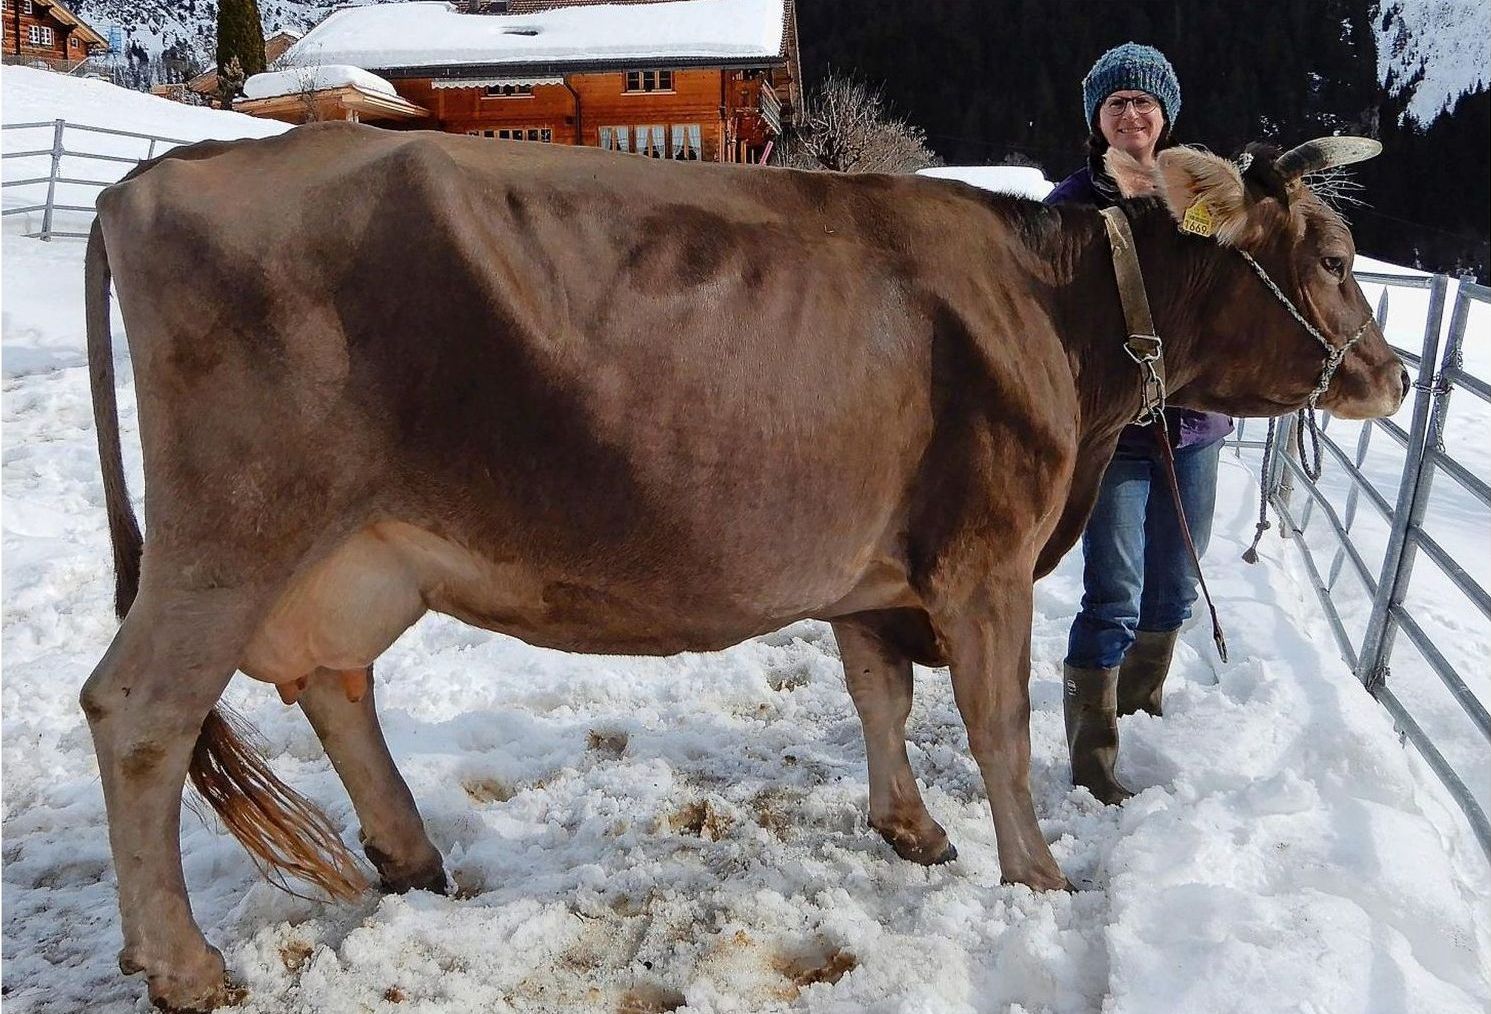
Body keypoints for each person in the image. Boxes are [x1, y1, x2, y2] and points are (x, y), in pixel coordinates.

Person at [1045, 43, 1232, 804]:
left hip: (1195, 426)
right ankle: (1093, 763)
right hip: (1115, 431)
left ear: (1165, 116)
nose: (1131, 114)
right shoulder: (1069, 204)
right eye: (1116, 102)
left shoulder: (1206, 197)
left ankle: (1138, 709)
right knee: (1113, 591)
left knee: (1175, 588)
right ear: (1097, 117)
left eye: (1144, 103)